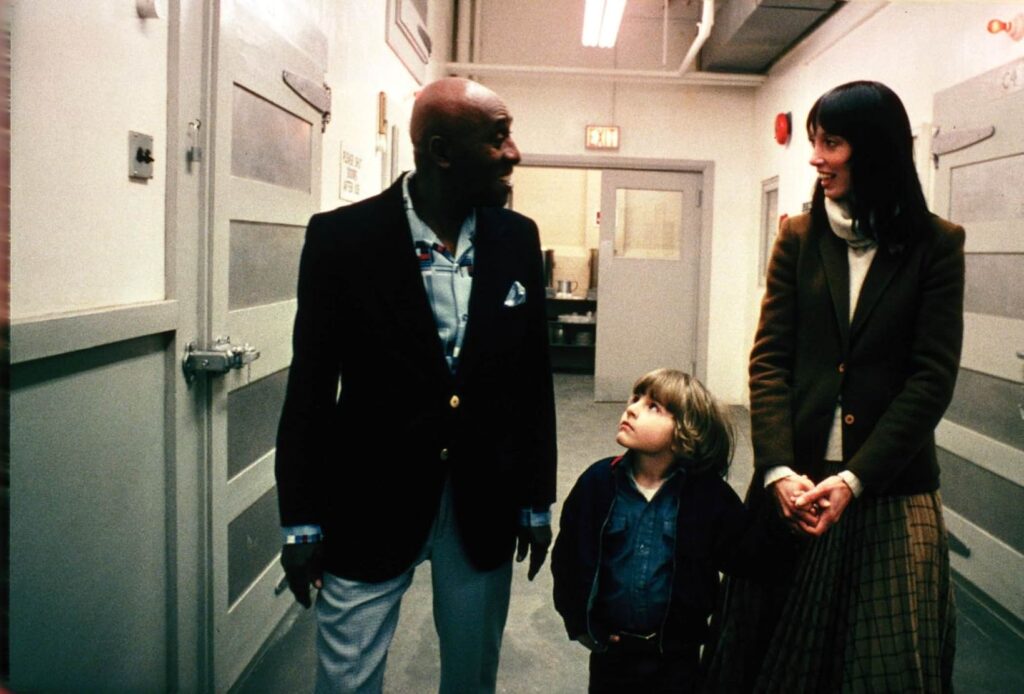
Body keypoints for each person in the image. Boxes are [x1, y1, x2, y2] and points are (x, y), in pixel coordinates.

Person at [274, 77, 557, 694]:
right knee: (347, 680)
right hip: (368, 499)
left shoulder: (517, 239)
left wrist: (536, 500)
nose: (514, 151)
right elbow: (311, 391)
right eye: (497, 137)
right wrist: (300, 521)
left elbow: (532, 382)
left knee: (471, 676)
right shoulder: (341, 239)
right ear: (441, 151)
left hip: (482, 502)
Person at [703, 81, 965, 692]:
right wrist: (775, 471)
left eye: (832, 142)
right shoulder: (799, 237)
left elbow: (931, 380)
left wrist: (854, 478)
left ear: (874, 150)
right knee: (764, 657)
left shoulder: (936, 245)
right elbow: (770, 360)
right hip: (792, 484)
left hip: (888, 491)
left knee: (879, 667)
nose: (816, 156)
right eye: (814, 142)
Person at [552, 369, 791, 694]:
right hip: (613, 653)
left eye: (654, 407)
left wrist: (783, 515)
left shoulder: (708, 497)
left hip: (677, 657)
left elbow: (745, 553)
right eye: (635, 398)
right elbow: (569, 557)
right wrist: (579, 623)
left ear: (686, 432)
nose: (632, 408)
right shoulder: (598, 483)